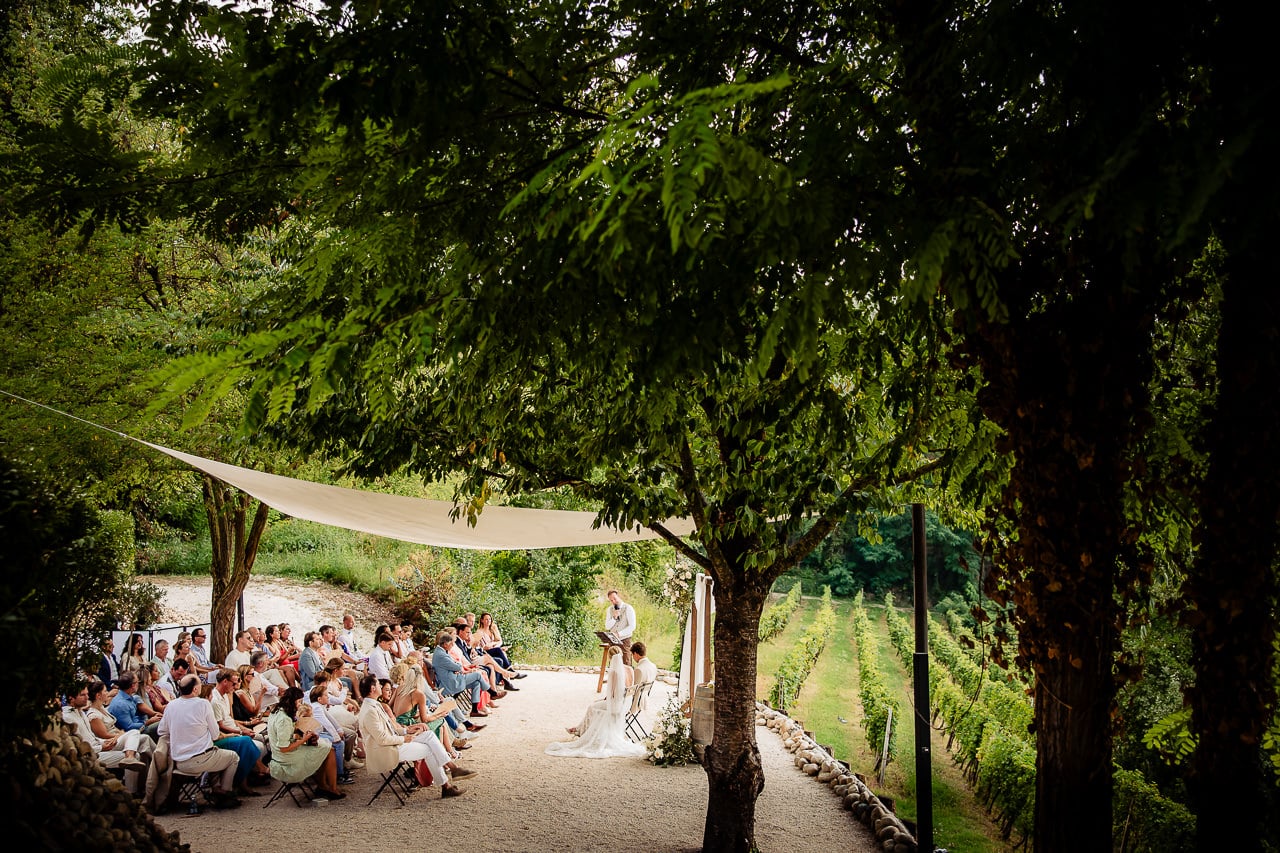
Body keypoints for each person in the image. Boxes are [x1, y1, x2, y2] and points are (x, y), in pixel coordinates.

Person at [356, 673, 473, 798]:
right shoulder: (370, 710)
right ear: (373, 689)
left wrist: (408, 730)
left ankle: (452, 771)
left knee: (428, 735)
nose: (380, 685)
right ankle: (447, 784)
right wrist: (404, 738)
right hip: (386, 751)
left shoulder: (374, 705)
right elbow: (382, 739)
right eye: (378, 684)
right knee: (429, 748)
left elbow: (390, 729)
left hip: (391, 744)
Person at [156, 673, 241, 809]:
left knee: (217, 754)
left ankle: (216, 787)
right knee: (233, 757)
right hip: (201, 758)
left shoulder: (171, 705)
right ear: (195, 689)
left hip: (179, 762)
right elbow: (215, 735)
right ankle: (224, 793)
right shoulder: (203, 704)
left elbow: (161, 731)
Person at [545, 646, 646, 760]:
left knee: (592, 707)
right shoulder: (630, 669)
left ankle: (582, 732)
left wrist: (603, 700)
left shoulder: (614, 672)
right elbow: (624, 689)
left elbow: (612, 694)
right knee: (595, 706)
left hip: (615, 706)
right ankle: (579, 729)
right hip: (625, 705)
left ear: (610, 658)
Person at [64, 682, 150, 792]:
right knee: (137, 753)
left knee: (135, 733)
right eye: (82, 695)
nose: (87, 697)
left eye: (87, 694)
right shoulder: (68, 717)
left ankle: (132, 759)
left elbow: (92, 737)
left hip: (100, 745)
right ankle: (131, 791)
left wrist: (106, 742)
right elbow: (79, 746)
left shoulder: (81, 713)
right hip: (92, 754)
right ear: (71, 698)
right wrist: (102, 747)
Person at [267, 687, 346, 800]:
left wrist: (305, 736)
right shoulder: (284, 719)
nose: (300, 705)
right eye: (299, 702)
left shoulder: (277, 712)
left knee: (324, 747)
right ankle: (331, 788)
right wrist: (304, 740)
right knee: (330, 750)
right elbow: (284, 748)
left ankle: (323, 785)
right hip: (286, 758)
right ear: (292, 701)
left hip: (281, 755)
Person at [605, 590, 636, 666]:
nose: (613, 601)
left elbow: (632, 626)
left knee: (626, 663)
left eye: (615, 598)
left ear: (619, 596)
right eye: (611, 600)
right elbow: (607, 626)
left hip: (624, 640)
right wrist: (614, 618)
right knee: (613, 664)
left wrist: (619, 634)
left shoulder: (628, 608)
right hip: (613, 641)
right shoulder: (610, 610)